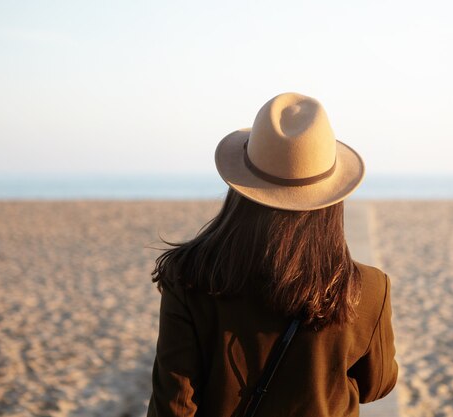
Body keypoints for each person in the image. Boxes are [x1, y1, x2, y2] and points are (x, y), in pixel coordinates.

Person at [147, 92, 398, 417]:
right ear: (331, 200)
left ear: (241, 190)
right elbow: (376, 385)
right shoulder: (368, 289)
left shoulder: (189, 277)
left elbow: (173, 407)